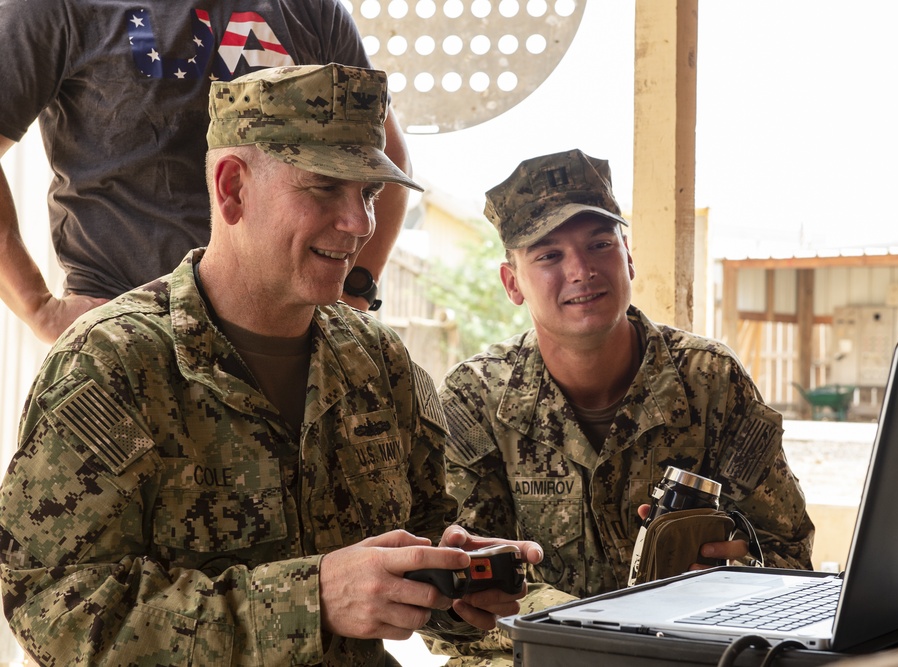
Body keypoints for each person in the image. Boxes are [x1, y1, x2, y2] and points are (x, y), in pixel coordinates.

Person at [0, 63, 542, 666]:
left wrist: (455, 582)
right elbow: (57, 612)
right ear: (233, 187)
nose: (360, 223)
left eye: (368, 193)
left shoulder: (377, 361)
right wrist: (311, 601)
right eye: (325, 188)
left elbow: (421, 547)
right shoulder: (112, 365)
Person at [431, 149, 815, 661]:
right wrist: (598, 637)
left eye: (599, 244)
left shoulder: (710, 381)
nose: (582, 270)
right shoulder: (475, 399)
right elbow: (453, 606)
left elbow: (793, 557)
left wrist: (738, 579)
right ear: (512, 283)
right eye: (549, 256)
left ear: (628, 256)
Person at [0, 0, 409, 344]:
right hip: (129, 334)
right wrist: (40, 309)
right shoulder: (59, 6)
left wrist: (355, 287)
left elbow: (383, 154)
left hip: (285, 339)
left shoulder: (311, 8)